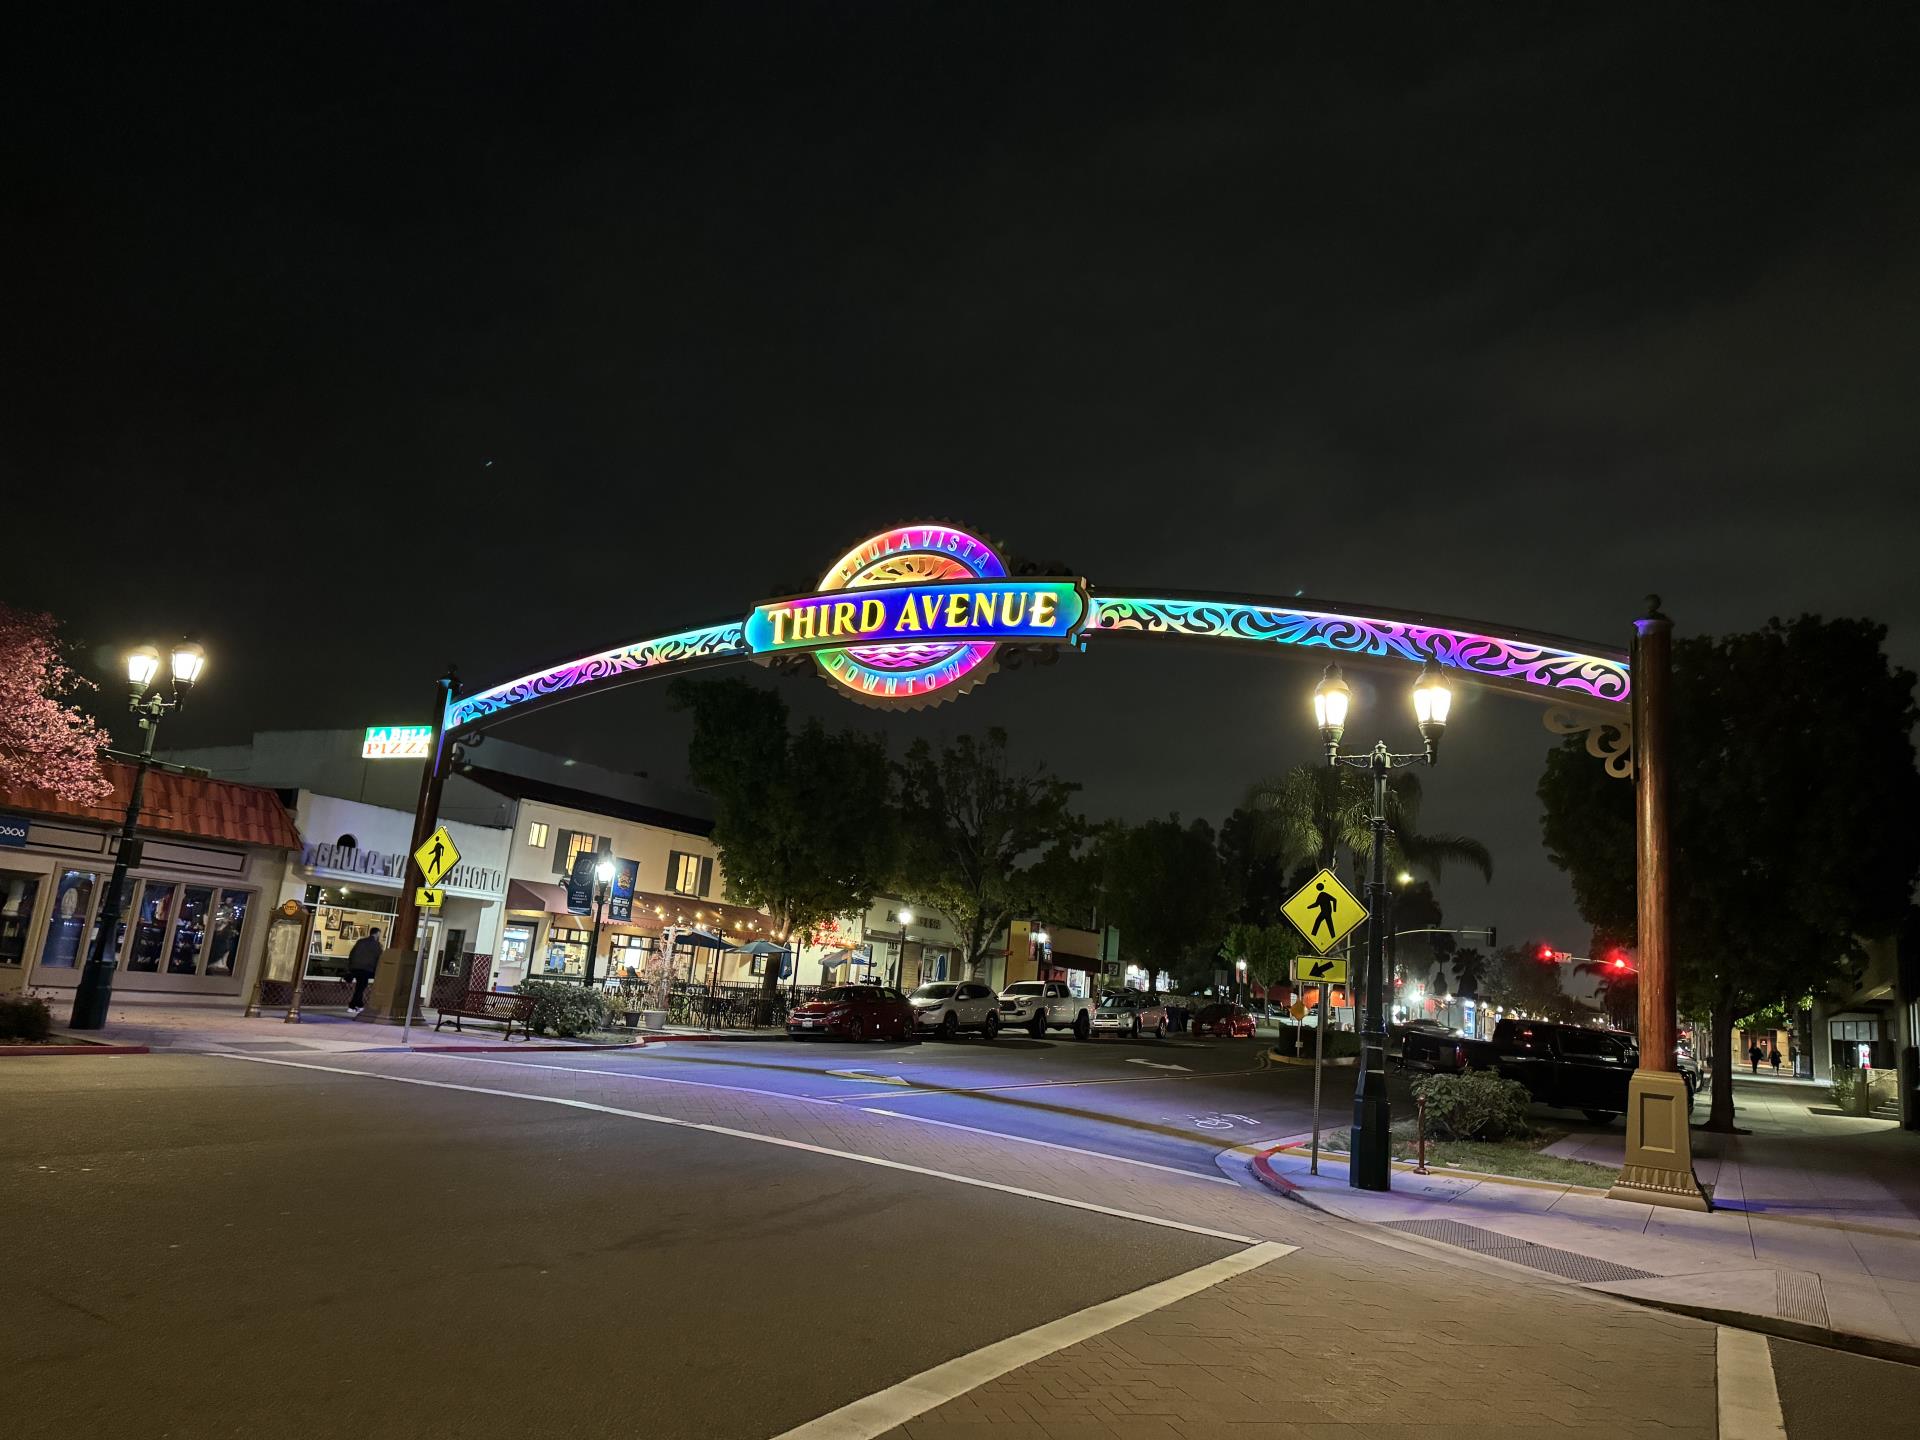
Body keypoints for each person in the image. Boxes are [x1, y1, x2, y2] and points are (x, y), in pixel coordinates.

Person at [345, 928, 383, 1012]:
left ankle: (359, 1005)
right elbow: (380, 958)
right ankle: (352, 1006)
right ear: (377, 934)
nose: (379, 936)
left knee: (360, 987)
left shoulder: (360, 942)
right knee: (360, 988)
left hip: (355, 968)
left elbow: (352, 954)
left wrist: (350, 967)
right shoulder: (376, 945)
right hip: (366, 969)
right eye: (379, 934)